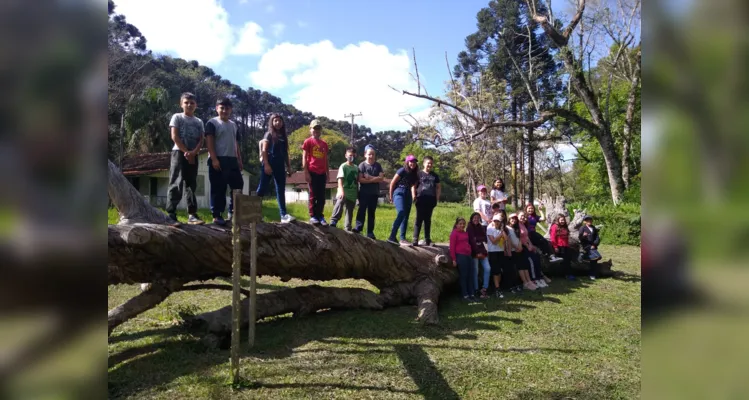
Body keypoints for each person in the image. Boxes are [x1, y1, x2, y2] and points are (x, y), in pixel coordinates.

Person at [166, 92, 205, 225]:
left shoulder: (199, 121)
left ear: (196, 105)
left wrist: (193, 152)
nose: (189, 105)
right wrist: (185, 151)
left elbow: (201, 139)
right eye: (186, 102)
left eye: (192, 103)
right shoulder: (177, 117)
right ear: (181, 104)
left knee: (191, 184)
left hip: (193, 155)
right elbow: (174, 136)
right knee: (176, 182)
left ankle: (192, 214)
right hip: (179, 153)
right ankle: (171, 215)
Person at [205, 98, 244, 226]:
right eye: (222, 108)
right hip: (218, 159)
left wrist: (239, 159)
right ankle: (217, 215)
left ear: (231, 110)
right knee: (218, 188)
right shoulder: (212, 123)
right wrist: (214, 159)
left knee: (238, 185)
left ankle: (233, 213)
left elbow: (236, 143)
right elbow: (209, 142)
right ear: (217, 108)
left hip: (232, 160)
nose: (224, 110)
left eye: (227, 108)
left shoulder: (233, 125)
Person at [257, 113, 295, 223]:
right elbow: (264, 151)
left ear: (282, 123)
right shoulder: (268, 134)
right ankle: (254, 212)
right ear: (272, 122)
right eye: (275, 121)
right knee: (262, 189)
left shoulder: (283, 136)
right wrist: (267, 165)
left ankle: (283, 215)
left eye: (280, 121)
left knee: (280, 190)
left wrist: (288, 167)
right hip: (269, 163)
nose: (278, 123)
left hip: (280, 165)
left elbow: (285, 153)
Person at [302, 119, 329, 225]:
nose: (316, 131)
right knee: (313, 195)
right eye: (314, 128)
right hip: (312, 171)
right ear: (310, 129)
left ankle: (320, 215)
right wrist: (306, 172)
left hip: (322, 173)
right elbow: (304, 156)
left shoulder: (324, 144)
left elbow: (326, 159)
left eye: (318, 128)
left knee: (321, 196)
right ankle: (313, 216)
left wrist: (328, 173)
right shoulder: (308, 141)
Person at [387, 155, 419, 246]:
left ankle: (402, 239)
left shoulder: (415, 174)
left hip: (408, 193)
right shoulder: (402, 170)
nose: (413, 163)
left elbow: (413, 186)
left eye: (414, 162)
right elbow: (392, 183)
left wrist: (414, 196)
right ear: (407, 162)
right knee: (401, 212)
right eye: (411, 161)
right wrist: (390, 196)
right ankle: (392, 236)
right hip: (399, 192)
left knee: (406, 217)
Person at [354, 145, 384, 239]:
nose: (371, 156)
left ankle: (370, 232)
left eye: (373, 154)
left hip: (374, 193)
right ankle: (358, 228)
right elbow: (360, 179)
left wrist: (369, 178)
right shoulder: (362, 165)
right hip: (363, 193)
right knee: (361, 211)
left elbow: (381, 178)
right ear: (365, 155)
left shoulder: (378, 165)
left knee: (371, 213)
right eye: (369, 154)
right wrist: (374, 179)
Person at [412, 156, 441, 246]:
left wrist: (437, 198)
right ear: (424, 163)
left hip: (431, 199)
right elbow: (413, 185)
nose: (430, 165)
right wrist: (413, 195)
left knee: (428, 220)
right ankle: (415, 239)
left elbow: (439, 187)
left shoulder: (434, 175)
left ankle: (427, 239)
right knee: (419, 219)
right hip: (420, 199)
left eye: (431, 163)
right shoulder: (418, 174)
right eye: (428, 163)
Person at [519, 211, 551, 287]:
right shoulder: (517, 226)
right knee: (531, 261)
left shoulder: (523, 225)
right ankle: (534, 279)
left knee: (536, 258)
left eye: (524, 216)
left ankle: (540, 277)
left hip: (528, 245)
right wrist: (527, 246)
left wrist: (531, 245)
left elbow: (527, 237)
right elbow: (519, 238)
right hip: (522, 247)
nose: (523, 217)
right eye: (521, 216)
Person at [330, 147, 358, 230]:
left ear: (355, 156)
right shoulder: (343, 166)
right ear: (346, 155)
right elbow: (340, 179)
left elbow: (357, 180)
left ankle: (347, 227)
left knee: (350, 211)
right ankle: (333, 221)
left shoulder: (356, 167)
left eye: (352, 155)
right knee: (339, 203)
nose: (351, 157)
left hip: (352, 192)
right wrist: (341, 191)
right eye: (349, 155)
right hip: (344, 190)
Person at [509, 213, 538, 291]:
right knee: (520, 267)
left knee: (524, 265)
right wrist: (516, 247)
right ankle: (525, 282)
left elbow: (519, 238)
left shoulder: (516, 228)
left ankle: (529, 281)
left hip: (520, 248)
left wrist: (521, 246)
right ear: (509, 219)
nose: (513, 220)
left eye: (515, 219)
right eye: (512, 218)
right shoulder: (507, 228)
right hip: (513, 250)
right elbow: (509, 240)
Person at [487, 212, 513, 298]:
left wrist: (502, 231)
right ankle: (497, 289)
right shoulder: (490, 229)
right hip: (493, 252)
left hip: (501, 251)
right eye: (495, 221)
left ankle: (499, 287)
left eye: (498, 221)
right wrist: (500, 234)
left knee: (500, 270)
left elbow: (506, 239)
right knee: (495, 271)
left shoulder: (501, 230)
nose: (496, 222)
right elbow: (493, 241)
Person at [449, 217, 475, 302]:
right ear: (456, 225)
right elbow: (452, 247)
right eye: (460, 224)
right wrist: (454, 259)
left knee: (471, 274)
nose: (462, 225)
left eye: (463, 224)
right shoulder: (454, 233)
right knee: (464, 275)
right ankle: (465, 295)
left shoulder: (465, 233)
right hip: (460, 256)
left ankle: (472, 294)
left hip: (468, 255)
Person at [467, 212, 490, 299]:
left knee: (488, 268)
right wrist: (477, 253)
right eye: (474, 218)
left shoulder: (481, 227)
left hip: (483, 252)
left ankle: (484, 288)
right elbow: (472, 241)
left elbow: (484, 239)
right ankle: (476, 289)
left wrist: (483, 253)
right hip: (474, 253)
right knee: (475, 271)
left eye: (477, 218)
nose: (476, 219)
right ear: (471, 218)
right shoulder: (469, 227)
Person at [550, 214, 576, 280]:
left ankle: (568, 274)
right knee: (564, 261)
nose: (562, 221)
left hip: (565, 246)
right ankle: (567, 274)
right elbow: (552, 238)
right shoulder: (554, 227)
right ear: (558, 220)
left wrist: (567, 245)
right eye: (561, 220)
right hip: (558, 246)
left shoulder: (564, 226)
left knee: (568, 260)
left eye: (563, 220)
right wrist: (555, 247)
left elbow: (566, 237)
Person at [578, 215, 602, 280]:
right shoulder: (582, 228)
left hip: (593, 246)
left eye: (590, 220)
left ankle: (592, 274)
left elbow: (597, 237)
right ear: (585, 221)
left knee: (594, 261)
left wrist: (594, 244)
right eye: (588, 220)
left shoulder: (593, 228)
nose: (589, 221)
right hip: (586, 246)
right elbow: (580, 238)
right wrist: (583, 236)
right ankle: (583, 257)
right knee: (598, 256)